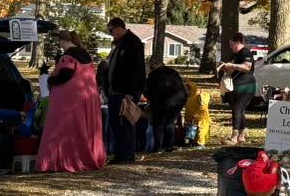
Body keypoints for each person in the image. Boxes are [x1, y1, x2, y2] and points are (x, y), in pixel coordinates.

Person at [36, 33, 107, 174]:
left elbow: (65, 75)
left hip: (68, 99)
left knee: (63, 128)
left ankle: (63, 160)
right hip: (87, 96)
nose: (60, 45)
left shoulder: (68, 56)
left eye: (61, 42)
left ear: (67, 41)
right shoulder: (85, 55)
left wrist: (50, 80)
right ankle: (88, 155)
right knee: (85, 128)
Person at [103, 18, 145, 164]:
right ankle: (119, 153)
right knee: (115, 123)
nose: (111, 34)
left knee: (126, 123)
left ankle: (127, 154)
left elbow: (135, 69)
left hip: (125, 91)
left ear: (119, 28)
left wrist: (130, 91)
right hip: (115, 91)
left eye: (111, 30)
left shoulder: (132, 43)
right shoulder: (119, 44)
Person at [216, 34, 257, 145]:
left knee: (236, 109)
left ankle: (234, 137)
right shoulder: (237, 55)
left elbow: (247, 67)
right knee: (240, 110)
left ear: (238, 42)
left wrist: (233, 65)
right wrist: (226, 66)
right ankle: (241, 136)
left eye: (232, 44)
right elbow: (232, 71)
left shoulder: (245, 52)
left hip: (246, 86)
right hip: (237, 85)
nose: (231, 47)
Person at [144, 63, 187, 153]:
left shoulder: (153, 74)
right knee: (170, 122)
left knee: (158, 123)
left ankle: (158, 147)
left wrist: (149, 100)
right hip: (178, 99)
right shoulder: (172, 71)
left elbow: (148, 90)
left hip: (163, 100)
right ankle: (169, 145)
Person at [184, 80, 213, 146]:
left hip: (200, 118)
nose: (186, 91)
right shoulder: (188, 98)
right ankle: (192, 141)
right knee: (191, 130)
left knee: (201, 131)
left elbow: (204, 101)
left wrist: (201, 96)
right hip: (190, 118)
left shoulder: (198, 96)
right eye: (186, 90)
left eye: (188, 90)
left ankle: (201, 143)